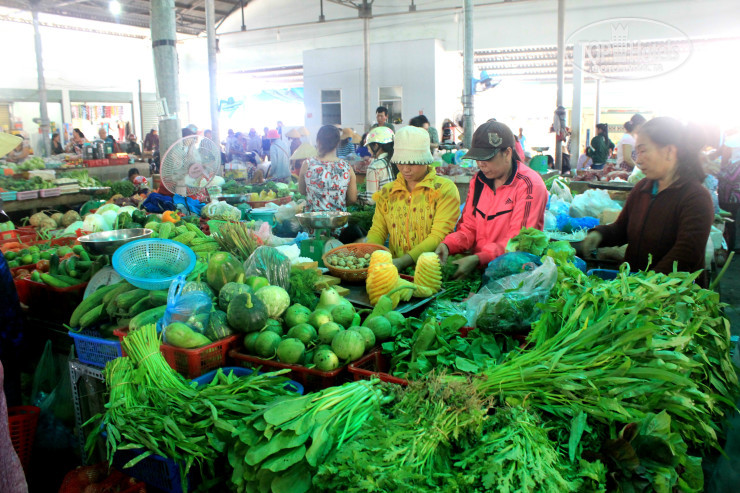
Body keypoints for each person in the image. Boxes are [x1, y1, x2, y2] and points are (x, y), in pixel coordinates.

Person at [582, 117, 714, 286]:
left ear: (669, 152)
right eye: (637, 152)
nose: (638, 160)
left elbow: (685, 255)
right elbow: (621, 229)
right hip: (633, 289)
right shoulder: (642, 188)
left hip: (670, 295)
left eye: (643, 151)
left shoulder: (695, 197)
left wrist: (645, 286)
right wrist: (598, 235)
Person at [435, 120, 548, 278]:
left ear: (507, 153)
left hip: (514, 276)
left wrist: (480, 258)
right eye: (478, 158)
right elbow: (468, 227)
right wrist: (448, 245)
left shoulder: (529, 185)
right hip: (480, 270)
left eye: (487, 158)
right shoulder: (478, 181)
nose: (481, 164)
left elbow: (518, 243)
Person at [366, 127, 460, 270]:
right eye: (401, 162)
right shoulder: (388, 192)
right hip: (393, 270)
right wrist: (369, 254)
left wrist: (403, 261)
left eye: (412, 163)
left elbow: (439, 235)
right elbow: (378, 230)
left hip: (431, 271)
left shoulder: (444, 189)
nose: (405, 169)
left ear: (425, 160)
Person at [299, 125, 357, 213]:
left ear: (318, 141)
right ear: (337, 143)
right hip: (338, 219)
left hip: (312, 219)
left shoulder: (307, 164)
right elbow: (352, 199)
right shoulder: (347, 167)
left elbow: (302, 191)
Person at [358, 126, 397, 205]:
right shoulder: (396, 161)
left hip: (382, 209)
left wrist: (356, 196)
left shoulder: (374, 167)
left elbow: (372, 200)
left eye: (368, 146)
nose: (368, 150)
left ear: (376, 145)